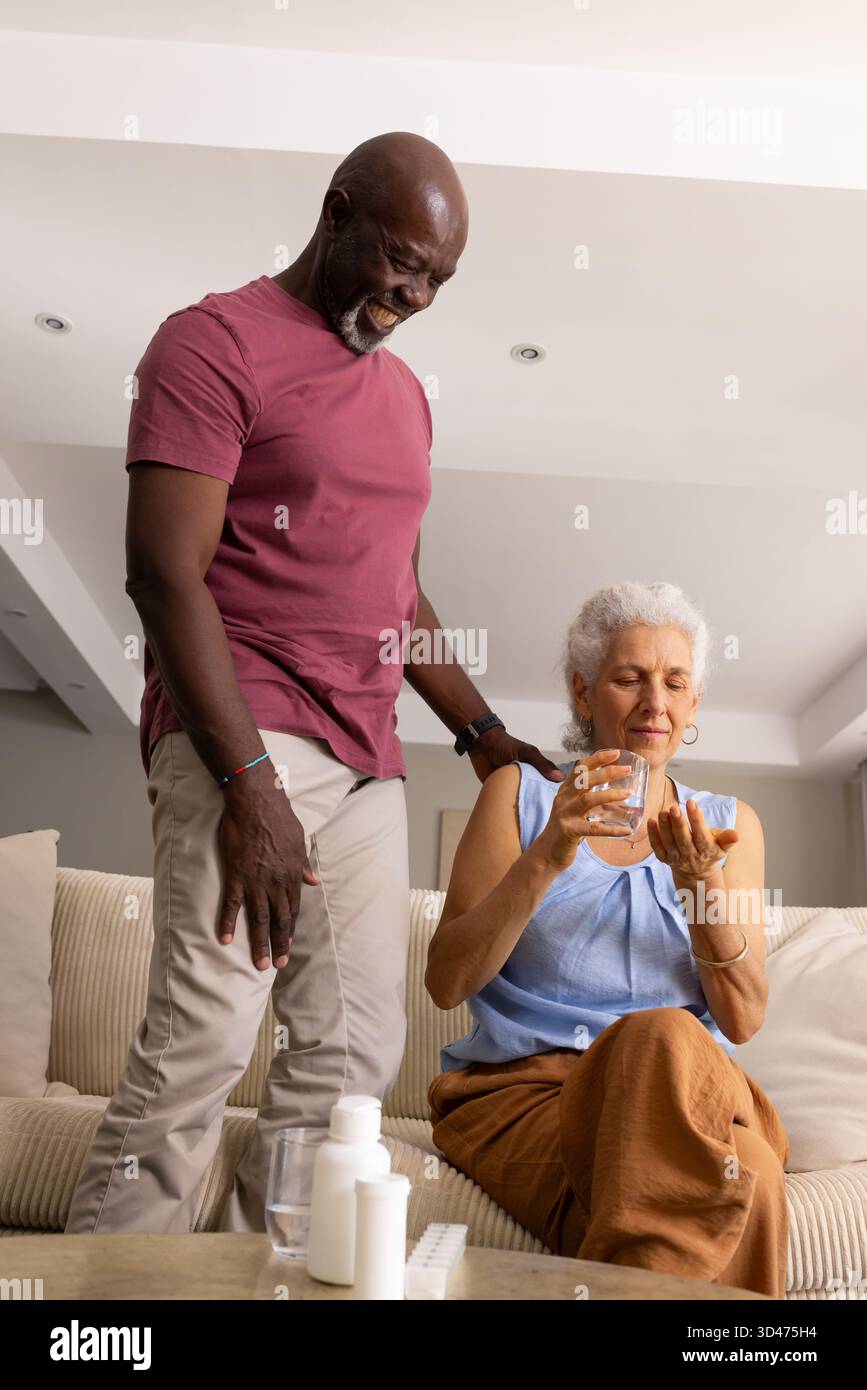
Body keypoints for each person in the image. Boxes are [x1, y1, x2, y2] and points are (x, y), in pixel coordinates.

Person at [65, 131, 563, 1236]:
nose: (415, 293)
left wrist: (481, 731)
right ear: (336, 212)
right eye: (401, 260)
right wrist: (249, 786)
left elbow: (399, 592)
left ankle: (264, 1279)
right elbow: (162, 570)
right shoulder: (212, 344)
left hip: (367, 759)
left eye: (437, 279)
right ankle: (92, 1318)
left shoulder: (405, 401)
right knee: (203, 1037)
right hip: (244, 734)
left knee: (348, 1061)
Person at [425, 581, 790, 1297]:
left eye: (674, 682)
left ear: (692, 706)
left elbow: (743, 1018)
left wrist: (699, 890)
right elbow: (445, 981)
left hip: (690, 1093)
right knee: (748, 1173)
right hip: (532, 1097)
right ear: (584, 693)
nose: (654, 701)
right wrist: (547, 857)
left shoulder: (729, 826)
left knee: (660, 1040)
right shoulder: (516, 795)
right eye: (628, 678)